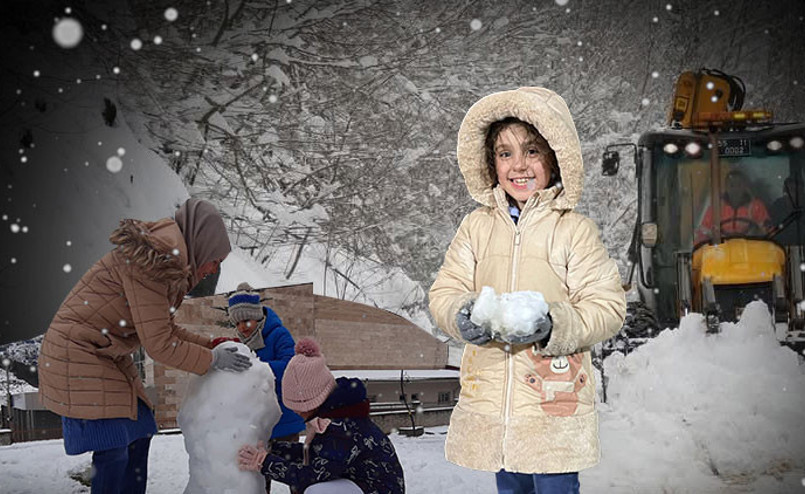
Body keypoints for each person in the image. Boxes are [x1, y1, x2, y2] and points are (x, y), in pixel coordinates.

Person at [427, 87, 627, 494]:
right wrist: (463, 314)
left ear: (554, 157)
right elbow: (445, 291)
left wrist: (553, 323)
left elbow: (607, 307)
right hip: (496, 407)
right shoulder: (476, 228)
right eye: (505, 153)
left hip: (553, 399)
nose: (518, 165)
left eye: (531, 151)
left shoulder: (574, 230)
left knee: (554, 486)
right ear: (491, 164)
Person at [37, 198, 252, 494]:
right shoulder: (152, 264)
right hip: (78, 353)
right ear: (201, 244)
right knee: (113, 446)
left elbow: (165, 328)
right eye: (215, 260)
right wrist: (211, 359)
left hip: (106, 352)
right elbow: (160, 345)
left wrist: (211, 344)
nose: (214, 269)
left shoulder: (164, 264)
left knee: (141, 431)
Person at [237, 338, 405, 494]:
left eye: (299, 406)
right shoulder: (337, 415)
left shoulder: (341, 430)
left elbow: (311, 474)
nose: (296, 411)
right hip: (360, 484)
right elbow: (316, 454)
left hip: (380, 490)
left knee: (316, 490)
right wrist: (275, 449)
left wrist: (264, 462)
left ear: (313, 401)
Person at [227, 282, 306, 492]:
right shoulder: (241, 343)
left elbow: (291, 364)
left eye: (247, 320)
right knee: (259, 473)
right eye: (238, 323)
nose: (243, 327)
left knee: (293, 474)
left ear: (258, 316)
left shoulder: (278, 334)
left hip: (284, 418)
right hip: (257, 421)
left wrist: (257, 368)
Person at [694, 169, 770, 244]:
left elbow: (768, 230)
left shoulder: (756, 206)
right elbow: (703, 232)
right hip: (722, 251)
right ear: (726, 187)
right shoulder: (716, 208)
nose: (735, 189)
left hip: (750, 250)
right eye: (732, 185)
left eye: (739, 185)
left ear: (745, 187)